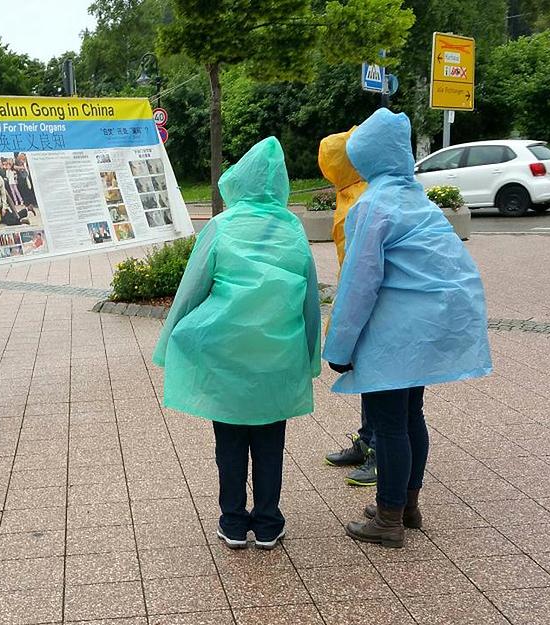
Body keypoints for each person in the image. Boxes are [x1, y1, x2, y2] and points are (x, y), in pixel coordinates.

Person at [324, 109, 492, 548]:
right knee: (411, 416)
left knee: (389, 425)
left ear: (367, 158)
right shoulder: (419, 201)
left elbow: (359, 283)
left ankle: (387, 520)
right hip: (430, 330)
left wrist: (339, 347)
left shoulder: (372, 206)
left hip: (396, 335)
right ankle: (406, 505)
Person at [153, 137, 321, 551]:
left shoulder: (221, 227)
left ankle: (232, 520)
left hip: (225, 355)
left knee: (229, 443)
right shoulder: (293, 228)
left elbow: (191, 291)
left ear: (238, 181)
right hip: (277, 358)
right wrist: (311, 356)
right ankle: (267, 522)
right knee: (270, 443)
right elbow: (310, 298)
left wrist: (169, 340)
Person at [318, 126, 378, 487]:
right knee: (367, 376)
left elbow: (361, 269)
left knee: (377, 378)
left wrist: (343, 320)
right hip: (361, 297)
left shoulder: (360, 200)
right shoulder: (352, 192)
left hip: (370, 304)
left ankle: (377, 451)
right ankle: (368, 439)